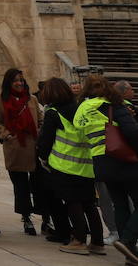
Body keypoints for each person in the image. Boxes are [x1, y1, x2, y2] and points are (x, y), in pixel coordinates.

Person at [37, 74, 105, 255]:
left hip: (65, 164)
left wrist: (42, 158)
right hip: (86, 164)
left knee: (73, 203)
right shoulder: (80, 108)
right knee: (89, 204)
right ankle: (98, 242)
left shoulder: (53, 113)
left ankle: (79, 240)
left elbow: (46, 140)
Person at [81, 77, 138, 262]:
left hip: (101, 163)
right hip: (123, 161)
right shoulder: (114, 106)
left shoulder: (82, 109)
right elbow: (132, 133)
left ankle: (128, 253)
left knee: (120, 205)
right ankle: (128, 241)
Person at [0, 67, 42, 236]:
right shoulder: (1, 99)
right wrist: (7, 135)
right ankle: (26, 217)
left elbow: (41, 119)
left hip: (33, 146)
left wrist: (40, 133)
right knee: (21, 186)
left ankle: (46, 218)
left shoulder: (31, 99)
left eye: (21, 80)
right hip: (15, 148)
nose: (19, 83)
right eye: (15, 81)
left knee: (39, 185)